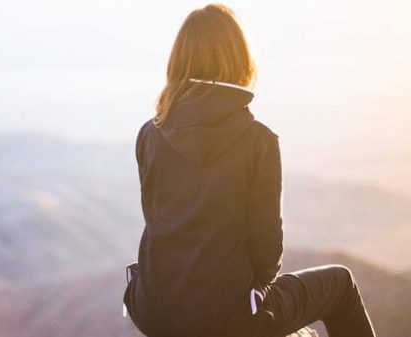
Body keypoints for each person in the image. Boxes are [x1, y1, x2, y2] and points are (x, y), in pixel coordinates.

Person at [122, 4, 376, 337]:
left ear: (178, 60)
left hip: (154, 312)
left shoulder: (149, 134)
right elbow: (267, 254)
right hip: (228, 319)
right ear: (239, 59)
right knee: (340, 284)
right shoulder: (258, 141)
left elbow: (161, 224)